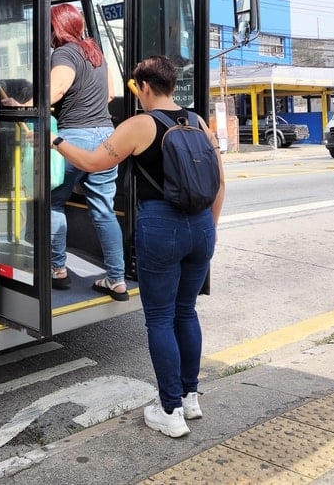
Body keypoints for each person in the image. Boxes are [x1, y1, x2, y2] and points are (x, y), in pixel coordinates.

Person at [51, 55, 225, 439]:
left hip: (162, 227)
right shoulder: (197, 122)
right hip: (201, 228)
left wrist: (56, 139)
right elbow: (220, 183)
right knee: (186, 312)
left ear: (144, 87)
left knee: (160, 318)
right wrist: (207, 230)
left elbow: (94, 163)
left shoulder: (140, 124)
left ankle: (170, 409)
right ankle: (190, 396)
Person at [6, 4, 125, 298]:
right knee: (103, 210)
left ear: (55, 29)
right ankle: (117, 278)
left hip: (73, 138)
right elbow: (109, 94)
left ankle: (57, 269)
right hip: (106, 138)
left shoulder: (63, 53)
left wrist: (23, 107)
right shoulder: (95, 52)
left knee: (53, 202)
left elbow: (56, 90)